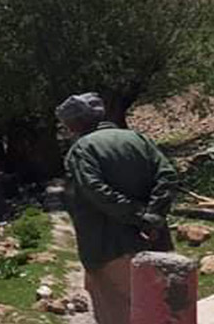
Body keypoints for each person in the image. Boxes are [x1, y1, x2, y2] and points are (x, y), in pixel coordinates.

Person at [56, 92, 177, 324]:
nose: (66, 128)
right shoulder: (138, 139)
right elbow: (167, 177)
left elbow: (96, 191)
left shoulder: (82, 149)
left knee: (118, 313)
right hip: (155, 240)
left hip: (108, 247)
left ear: (76, 123)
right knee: (157, 309)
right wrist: (153, 216)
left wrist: (139, 216)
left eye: (67, 123)